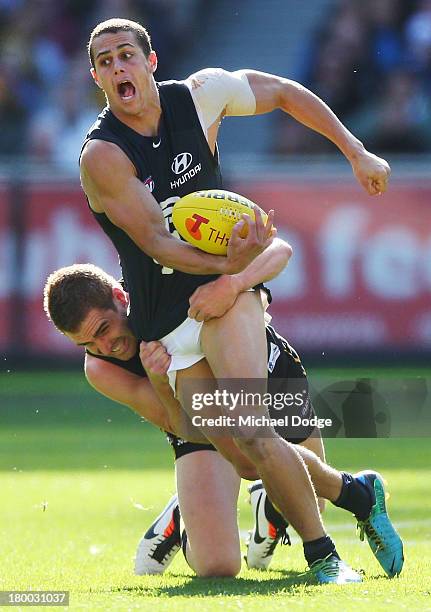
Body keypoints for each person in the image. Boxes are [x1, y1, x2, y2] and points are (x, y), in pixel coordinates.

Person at [79, 18, 395, 583]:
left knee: (252, 430)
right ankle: (356, 491)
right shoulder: (102, 156)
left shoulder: (202, 96)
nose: (117, 67)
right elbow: (157, 242)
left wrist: (356, 151)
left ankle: (324, 558)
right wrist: (231, 263)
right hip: (169, 320)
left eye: (126, 55)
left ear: (150, 62)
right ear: (98, 77)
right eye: (104, 62)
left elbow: (282, 93)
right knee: (246, 462)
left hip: (225, 300)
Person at [44, 263, 404, 580]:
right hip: (196, 421)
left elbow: (275, 256)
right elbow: (181, 425)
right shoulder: (101, 368)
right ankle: (185, 516)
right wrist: (158, 379)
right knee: (217, 564)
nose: (105, 345)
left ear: (120, 297)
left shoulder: (161, 288)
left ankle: (271, 495)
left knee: (307, 505)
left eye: (104, 329)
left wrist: (240, 288)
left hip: (270, 375)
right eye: (87, 343)